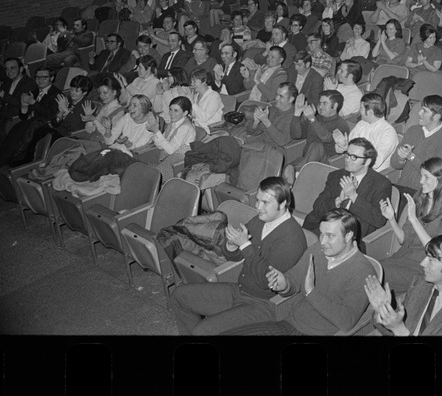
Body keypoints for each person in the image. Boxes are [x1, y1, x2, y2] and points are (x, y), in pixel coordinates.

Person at [168, 177, 308, 335]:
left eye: (265, 203)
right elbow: (233, 256)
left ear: (283, 204)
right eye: (257, 200)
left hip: (262, 304)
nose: (258, 207)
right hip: (240, 290)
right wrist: (231, 245)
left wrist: (245, 245)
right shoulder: (261, 220)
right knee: (179, 296)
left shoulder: (292, 240)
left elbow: (265, 281)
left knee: (203, 331)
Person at [220, 208, 376, 336]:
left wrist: (310, 292)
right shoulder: (318, 250)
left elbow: (347, 320)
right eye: (321, 234)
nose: (323, 241)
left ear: (348, 236)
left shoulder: (363, 271)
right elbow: (293, 279)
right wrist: (283, 284)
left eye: (330, 236)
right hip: (288, 323)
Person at [365, 233, 442, 336]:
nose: (422, 263)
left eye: (431, 260)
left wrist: (399, 329)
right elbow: (392, 330)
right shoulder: (420, 284)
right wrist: (384, 309)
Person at [378, 158, 442, 292]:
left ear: (440, 179)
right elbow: (403, 240)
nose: (420, 181)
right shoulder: (420, 197)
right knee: (368, 268)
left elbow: (436, 251)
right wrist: (392, 219)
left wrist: (414, 219)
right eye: (421, 176)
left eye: (426, 177)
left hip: (424, 266)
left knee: (375, 274)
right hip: (402, 257)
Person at [302, 137, 392, 244]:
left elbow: (379, 220)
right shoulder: (336, 176)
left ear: (367, 161)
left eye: (353, 157)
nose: (347, 159)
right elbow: (317, 207)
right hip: (322, 227)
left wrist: (354, 196)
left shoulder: (380, 184)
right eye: (347, 155)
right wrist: (337, 201)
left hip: (349, 237)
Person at [389, 95, 442, 194]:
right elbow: (394, 164)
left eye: (424, 111)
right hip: (401, 187)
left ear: (436, 116)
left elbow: (435, 175)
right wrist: (401, 158)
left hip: (425, 194)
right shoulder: (413, 131)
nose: (419, 113)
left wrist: (411, 157)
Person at [283, 90, 350, 184]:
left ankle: (297, 172)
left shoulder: (341, 124)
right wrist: (297, 113)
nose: (320, 106)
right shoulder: (316, 118)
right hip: (306, 159)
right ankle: (295, 173)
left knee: (318, 145)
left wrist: (312, 119)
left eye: (324, 103)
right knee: (283, 170)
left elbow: (327, 138)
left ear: (334, 106)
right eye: (320, 103)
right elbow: (296, 135)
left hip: (325, 163)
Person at [334, 93, 398, 174]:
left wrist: (352, 151)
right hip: (354, 169)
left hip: (374, 174)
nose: (359, 111)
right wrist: (343, 147)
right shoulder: (361, 124)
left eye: (361, 108)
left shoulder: (388, 132)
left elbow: (375, 162)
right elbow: (349, 147)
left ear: (370, 112)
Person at [145, 96, 197, 176]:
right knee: (139, 168)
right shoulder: (172, 123)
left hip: (178, 162)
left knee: (148, 176)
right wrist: (155, 132)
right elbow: (160, 146)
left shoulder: (185, 127)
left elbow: (170, 150)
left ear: (185, 113)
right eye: (170, 109)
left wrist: (157, 131)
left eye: (176, 110)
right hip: (166, 157)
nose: (171, 113)